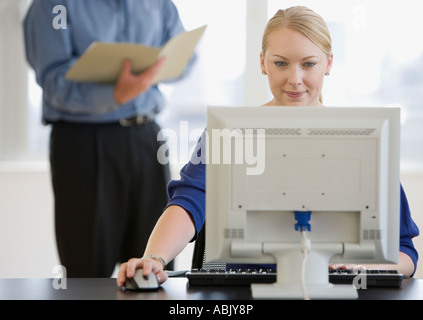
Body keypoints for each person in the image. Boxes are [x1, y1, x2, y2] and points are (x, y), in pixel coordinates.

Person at [117, 6, 419, 286]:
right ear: (263, 62)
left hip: (336, 289)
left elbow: (405, 252)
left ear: (328, 64)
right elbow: (190, 201)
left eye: (308, 64)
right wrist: (154, 259)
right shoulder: (229, 133)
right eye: (281, 63)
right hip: (244, 292)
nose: (295, 79)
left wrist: (368, 269)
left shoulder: (365, 139)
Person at [24, 0, 196, 277]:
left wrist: (158, 68)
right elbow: (52, 80)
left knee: (153, 268)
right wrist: (115, 95)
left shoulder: (158, 3)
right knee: (87, 270)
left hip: (146, 137)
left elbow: (187, 58)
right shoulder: (53, 5)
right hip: (83, 143)